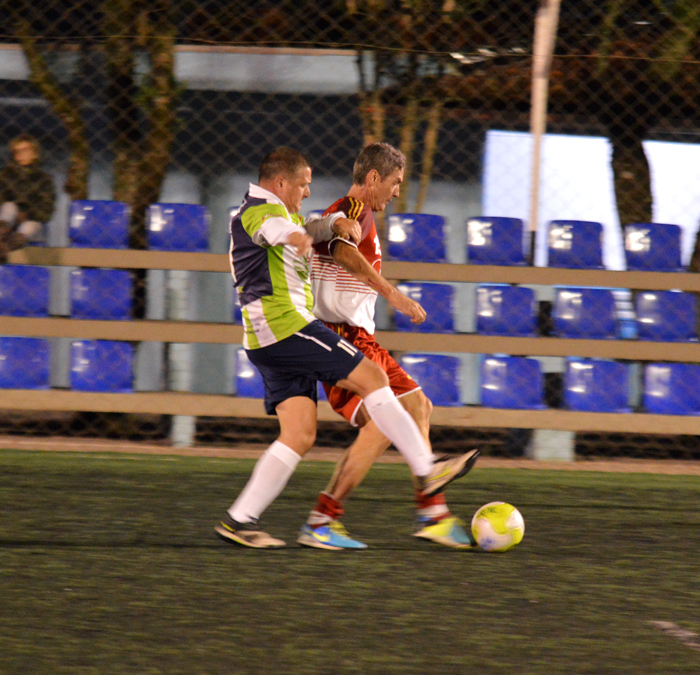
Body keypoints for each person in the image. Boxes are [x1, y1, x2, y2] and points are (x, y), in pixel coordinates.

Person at [215, 146, 477, 548]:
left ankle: (240, 520)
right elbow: (288, 234)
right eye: (303, 186)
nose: (306, 193)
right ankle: (426, 472)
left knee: (300, 434)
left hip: (276, 335)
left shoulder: (285, 211)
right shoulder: (259, 212)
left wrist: (329, 223)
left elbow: (310, 227)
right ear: (281, 182)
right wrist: (317, 232)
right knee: (376, 384)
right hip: (286, 327)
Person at [297, 142, 478, 551]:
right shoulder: (353, 211)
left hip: (351, 336)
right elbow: (343, 250)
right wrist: (393, 295)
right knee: (391, 419)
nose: (397, 192)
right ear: (374, 178)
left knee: (414, 409)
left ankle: (430, 511)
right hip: (344, 336)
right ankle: (327, 519)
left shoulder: (348, 213)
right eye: (395, 183)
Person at [0, 134, 55, 262]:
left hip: (31, 220)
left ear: (35, 154)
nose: (21, 155)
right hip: (7, 221)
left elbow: (47, 210)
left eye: (25, 150)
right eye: (17, 151)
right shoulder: (4, 176)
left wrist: (27, 214)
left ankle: (4, 248)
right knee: (9, 207)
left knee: (29, 226)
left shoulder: (44, 180)